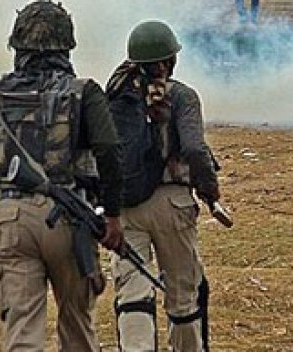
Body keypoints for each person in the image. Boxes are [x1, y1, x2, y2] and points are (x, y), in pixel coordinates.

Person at [0, 0, 124, 352]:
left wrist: (4, 173)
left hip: (12, 217)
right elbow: (109, 151)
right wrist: (113, 215)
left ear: (18, 46)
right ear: (67, 45)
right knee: (77, 326)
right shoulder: (83, 92)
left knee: (22, 330)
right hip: (70, 219)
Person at [107, 21, 221, 352]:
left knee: (132, 293)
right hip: (172, 204)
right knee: (184, 294)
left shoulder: (114, 95)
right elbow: (196, 150)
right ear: (170, 59)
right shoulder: (182, 95)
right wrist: (209, 188)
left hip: (126, 205)